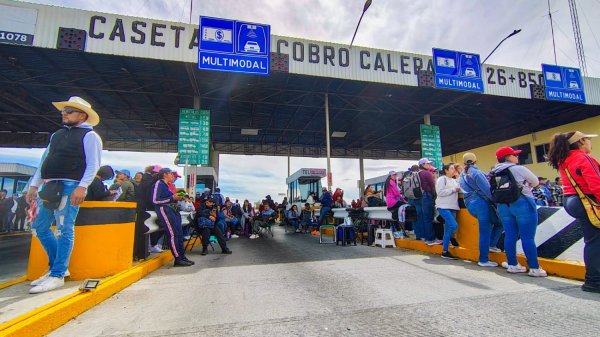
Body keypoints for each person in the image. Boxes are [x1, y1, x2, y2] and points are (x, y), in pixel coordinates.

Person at [26, 96, 103, 294]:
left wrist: (83, 186)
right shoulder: (57, 135)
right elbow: (45, 160)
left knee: (64, 229)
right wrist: (34, 186)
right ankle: (56, 268)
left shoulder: (90, 136)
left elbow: (93, 163)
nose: (64, 114)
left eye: (69, 111)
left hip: (71, 186)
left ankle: (58, 274)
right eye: (64, 111)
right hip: (50, 185)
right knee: (40, 227)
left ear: (82, 115)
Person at [547, 131, 600, 292]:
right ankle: (594, 281)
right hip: (587, 200)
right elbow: (596, 183)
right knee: (596, 241)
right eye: (588, 140)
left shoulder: (565, 159)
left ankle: (593, 279)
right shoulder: (583, 158)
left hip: (571, 200)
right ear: (581, 141)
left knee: (592, 240)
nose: (590, 143)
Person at [491, 146, 546, 277]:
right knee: (528, 237)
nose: (517, 157)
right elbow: (536, 181)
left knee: (510, 235)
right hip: (522, 203)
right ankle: (534, 267)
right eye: (514, 155)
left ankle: (512, 264)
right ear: (508, 157)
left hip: (503, 206)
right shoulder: (519, 169)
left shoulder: (494, 172)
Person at [459, 153, 500, 267]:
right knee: (488, 229)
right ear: (475, 161)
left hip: (470, 205)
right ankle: (483, 259)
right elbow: (488, 191)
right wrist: (497, 202)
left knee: (496, 224)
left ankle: (490, 246)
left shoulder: (462, 175)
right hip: (481, 204)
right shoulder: (476, 173)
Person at [152, 168, 194, 267]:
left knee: (179, 234)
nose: (173, 176)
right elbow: (155, 200)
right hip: (165, 210)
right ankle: (178, 258)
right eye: (171, 174)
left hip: (174, 210)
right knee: (173, 234)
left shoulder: (168, 186)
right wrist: (172, 198)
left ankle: (182, 256)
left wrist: (176, 198)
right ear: (165, 174)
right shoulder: (159, 184)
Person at [436, 163, 461, 259]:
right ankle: (451, 239)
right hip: (443, 206)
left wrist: (458, 173)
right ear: (446, 170)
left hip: (453, 206)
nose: (453, 170)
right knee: (453, 225)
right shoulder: (442, 179)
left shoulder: (454, 180)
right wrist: (453, 190)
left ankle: (445, 251)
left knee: (448, 229)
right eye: (451, 168)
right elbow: (440, 192)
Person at [416, 158, 441, 246]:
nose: (429, 165)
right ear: (423, 164)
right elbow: (433, 185)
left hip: (419, 198)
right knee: (429, 218)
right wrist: (434, 197)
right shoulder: (427, 173)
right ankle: (430, 239)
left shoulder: (417, 173)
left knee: (424, 218)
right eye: (428, 164)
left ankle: (426, 237)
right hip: (427, 196)